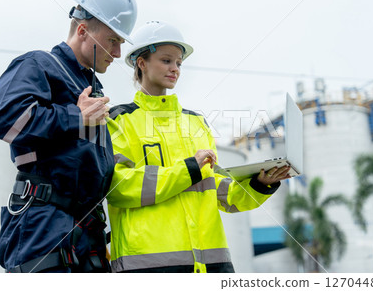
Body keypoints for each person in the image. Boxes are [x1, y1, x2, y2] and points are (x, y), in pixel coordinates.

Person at [106, 21, 290, 273]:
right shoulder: (119, 120)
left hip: (212, 266)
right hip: (150, 267)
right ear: (142, 62)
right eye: (167, 60)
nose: (175, 69)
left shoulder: (196, 122)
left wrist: (260, 184)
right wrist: (189, 168)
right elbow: (120, 187)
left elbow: (218, 192)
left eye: (179, 63)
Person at [0, 0, 137, 273]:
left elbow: (75, 156)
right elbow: (2, 119)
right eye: (113, 40)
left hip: (85, 232)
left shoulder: (88, 87)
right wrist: (74, 116)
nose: (118, 53)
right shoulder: (39, 64)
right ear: (83, 31)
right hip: (43, 227)